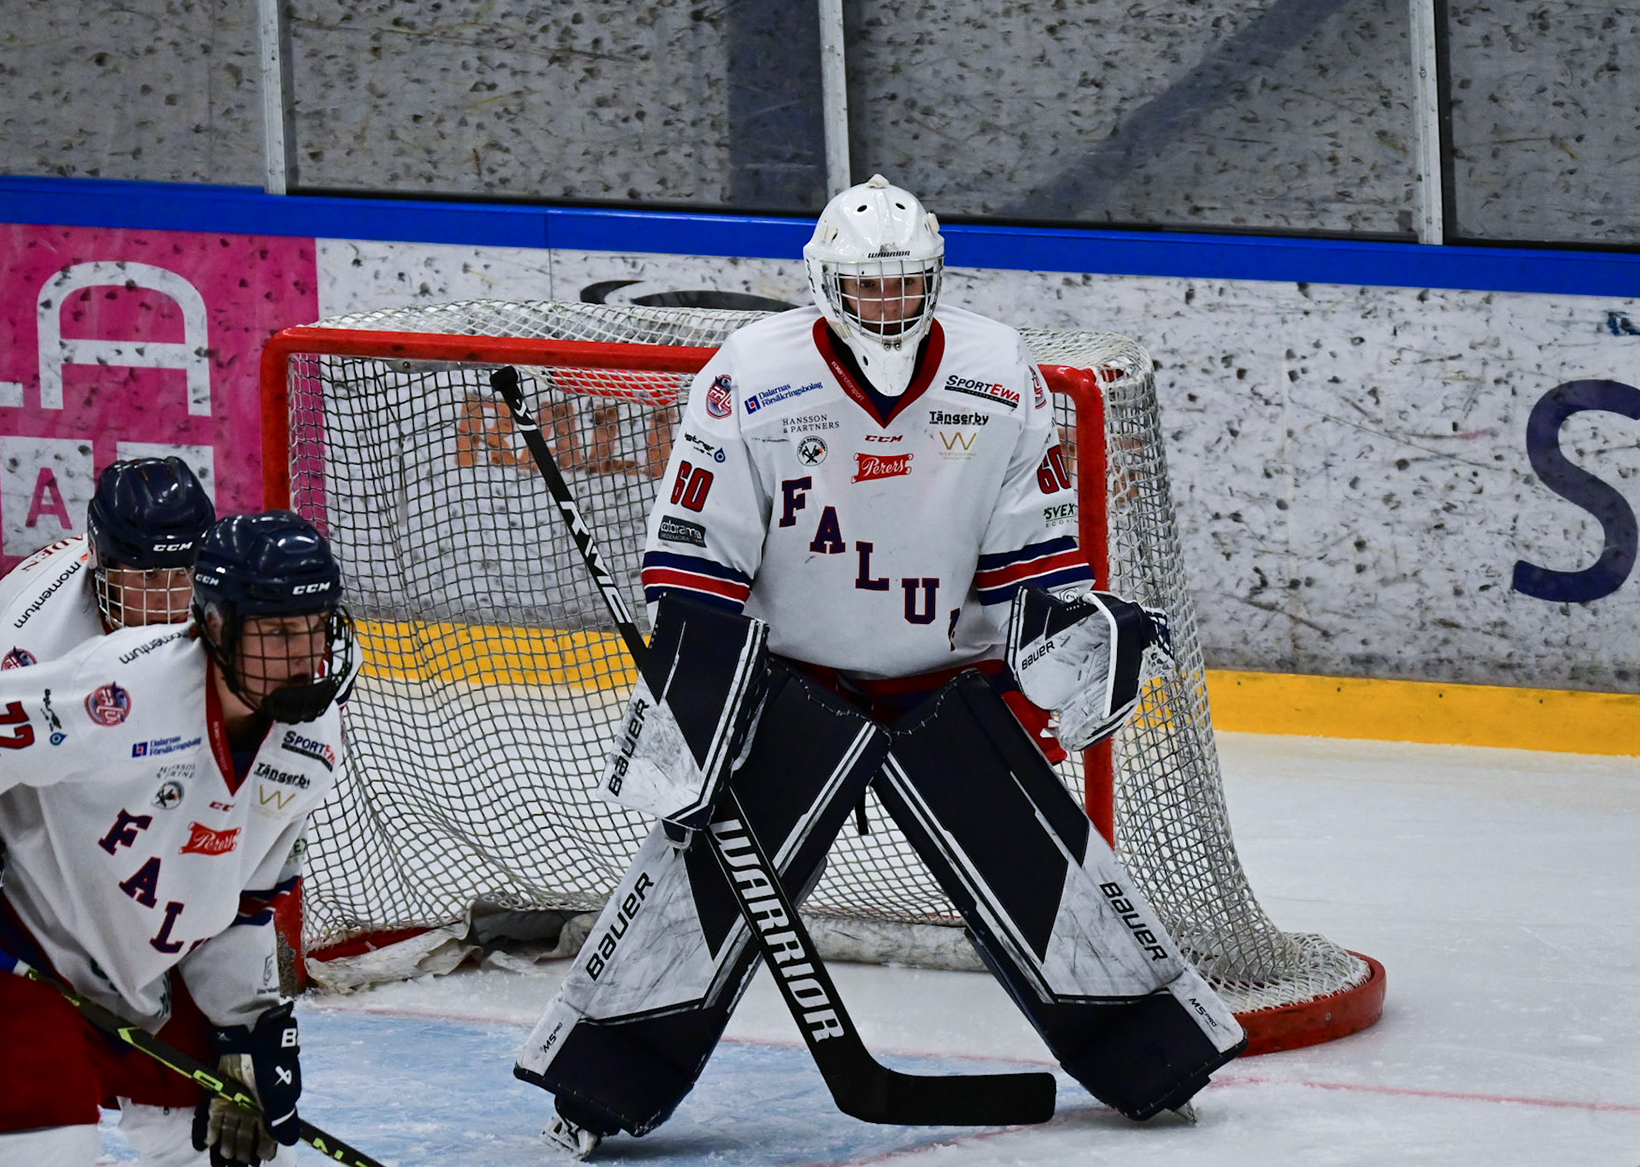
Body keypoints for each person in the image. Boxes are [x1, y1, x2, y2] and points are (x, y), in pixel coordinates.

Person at [516, 175, 1246, 1157]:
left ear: (934, 279)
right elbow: (697, 557)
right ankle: (597, 1084)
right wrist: (691, 701)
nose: (888, 304)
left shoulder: (997, 370)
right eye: (868, 285)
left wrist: (1068, 637)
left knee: (1055, 880)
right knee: (691, 898)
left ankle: (1153, 1059)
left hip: (947, 683)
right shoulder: (751, 375)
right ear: (826, 284)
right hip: (792, 691)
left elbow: (1029, 547)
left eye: (905, 284)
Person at [0, 511, 358, 1167]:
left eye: (316, 627)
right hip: (16, 939)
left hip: (139, 960)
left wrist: (246, 1028)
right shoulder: (122, 693)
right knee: (49, 1153)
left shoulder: (311, 743)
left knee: (234, 1151)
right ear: (217, 627)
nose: (304, 657)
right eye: (277, 632)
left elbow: (245, 901)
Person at [0, 455, 216, 684]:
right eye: (148, 576)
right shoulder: (35, 645)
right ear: (101, 565)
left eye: (182, 573)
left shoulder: (219, 588)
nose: (168, 601)